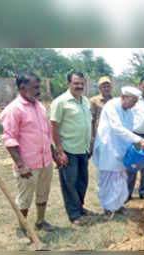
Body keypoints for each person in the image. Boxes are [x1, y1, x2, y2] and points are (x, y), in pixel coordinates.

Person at [0, 71, 61, 243]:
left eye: (39, 86)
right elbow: (9, 138)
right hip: (28, 164)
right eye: (35, 87)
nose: (39, 90)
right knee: (24, 198)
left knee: (43, 193)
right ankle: (21, 230)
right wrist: (21, 165)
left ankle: (40, 222)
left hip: (45, 161)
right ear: (22, 88)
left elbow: (46, 134)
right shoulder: (14, 109)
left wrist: (54, 154)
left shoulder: (40, 107)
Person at [93, 86, 144, 220]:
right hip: (108, 146)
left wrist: (133, 146)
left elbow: (129, 130)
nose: (134, 104)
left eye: (136, 102)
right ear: (123, 97)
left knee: (120, 177)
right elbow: (117, 127)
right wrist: (139, 139)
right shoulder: (111, 106)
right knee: (107, 178)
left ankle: (117, 205)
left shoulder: (130, 112)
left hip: (121, 148)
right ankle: (107, 207)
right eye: (133, 101)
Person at [50, 70, 97, 226]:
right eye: (76, 83)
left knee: (82, 181)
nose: (79, 86)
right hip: (68, 149)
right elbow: (54, 127)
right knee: (69, 182)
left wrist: (90, 141)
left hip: (83, 149)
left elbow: (88, 123)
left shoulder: (85, 101)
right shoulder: (60, 102)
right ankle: (74, 214)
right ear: (68, 83)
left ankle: (80, 207)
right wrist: (59, 151)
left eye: (82, 83)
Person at [89, 76, 113, 152]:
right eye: (104, 87)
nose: (106, 88)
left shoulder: (113, 101)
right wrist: (92, 136)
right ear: (100, 88)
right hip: (98, 133)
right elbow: (91, 119)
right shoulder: (94, 101)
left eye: (108, 86)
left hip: (110, 134)